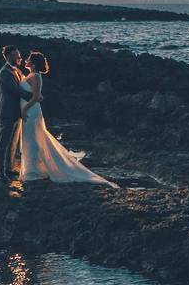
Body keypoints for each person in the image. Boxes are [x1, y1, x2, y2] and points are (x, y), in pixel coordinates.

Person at [17, 50, 117, 187]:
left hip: (30, 111)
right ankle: (34, 169)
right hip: (29, 109)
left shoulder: (35, 76)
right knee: (31, 138)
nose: (26, 60)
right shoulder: (31, 75)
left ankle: (33, 171)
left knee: (32, 139)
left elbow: (36, 97)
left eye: (28, 58)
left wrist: (24, 109)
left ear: (33, 63)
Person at [0, 45, 37, 182]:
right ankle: (0, 171)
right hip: (6, 112)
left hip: (17, 112)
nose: (20, 58)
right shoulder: (4, 73)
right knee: (4, 142)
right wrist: (33, 96)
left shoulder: (17, 71)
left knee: (13, 142)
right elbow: (15, 90)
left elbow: (24, 83)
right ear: (8, 57)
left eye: (19, 55)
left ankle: (9, 168)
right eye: (16, 56)